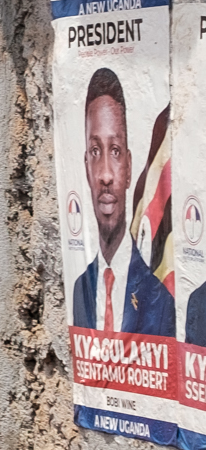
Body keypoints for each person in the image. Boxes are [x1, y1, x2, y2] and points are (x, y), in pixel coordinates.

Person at [73, 66, 174, 335]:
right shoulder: (79, 289)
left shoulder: (160, 299)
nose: (105, 174)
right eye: (96, 151)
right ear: (86, 167)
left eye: (115, 151)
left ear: (129, 169)